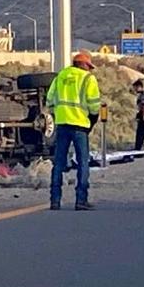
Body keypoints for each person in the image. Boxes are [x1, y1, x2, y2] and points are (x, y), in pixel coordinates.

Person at [46, 51, 101, 211]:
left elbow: (50, 100)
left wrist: (58, 114)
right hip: (80, 125)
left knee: (59, 163)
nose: (90, 70)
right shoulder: (88, 78)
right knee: (83, 163)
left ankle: (55, 200)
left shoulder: (61, 76)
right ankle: (81, 200)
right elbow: (94, 104)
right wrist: (92, 119)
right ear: (84, 65)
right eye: (89, 67)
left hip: (62, 124)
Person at [133, 79, 144, 151]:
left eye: (136, 87)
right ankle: (137, 147)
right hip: (142, 115)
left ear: (139, 86)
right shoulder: (141, 94)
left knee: (141, 132)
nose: (135, 89)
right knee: (140, 133)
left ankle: (138, 148)